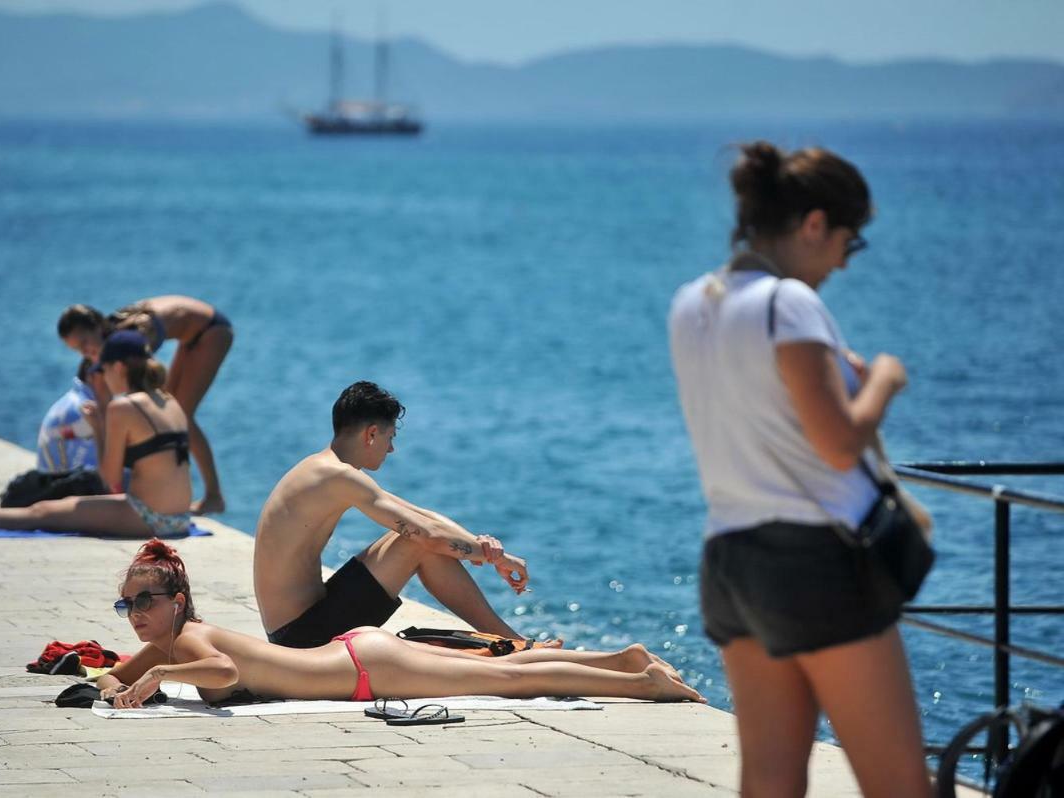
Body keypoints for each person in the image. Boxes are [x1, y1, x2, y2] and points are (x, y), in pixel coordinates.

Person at [668, 141, 931, 797]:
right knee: (899, 783)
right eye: (850, 240)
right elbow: (839, 444)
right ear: (813, 224)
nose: (844, 260)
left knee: (769, 779)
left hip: (730, 561)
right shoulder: (787, 302)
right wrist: (883, 382)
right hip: (812, 560)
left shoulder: (691, 304)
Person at [99, 539, 705, 708]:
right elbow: (107, 674)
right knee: (508, 667)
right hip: (358, 654)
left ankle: (641, 684)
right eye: (129, 606)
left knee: (512, 681)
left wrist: (156, 684)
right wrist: (119, 684)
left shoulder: (189, 641)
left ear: (178, 600)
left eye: (146, 601)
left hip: (367, 666)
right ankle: (622, 659)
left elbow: (224, 669)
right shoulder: (168, 648)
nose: (138, 616)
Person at [254, 381, 541, 650]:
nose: (391, 448)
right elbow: (427, 535)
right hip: (301, 638)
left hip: (297, 625)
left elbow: (421, 516)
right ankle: (515, 644)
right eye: (390, 437)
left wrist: (483, 548)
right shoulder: (338, 476)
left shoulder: (324, 469)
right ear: (371, 434)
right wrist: (494, 558)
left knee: (413, 535)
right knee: (417, 542)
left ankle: (512, 641)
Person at [0, 331, 193, 538]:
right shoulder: (168, 400)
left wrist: (98, 426)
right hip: (180, 517)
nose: (102, 377)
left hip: (150, 517)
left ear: (119, 367)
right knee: (60, 507)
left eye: (103, 370)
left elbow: (110, 481)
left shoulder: (123, 407)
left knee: (44, 512)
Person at [57, 296, 232, 516]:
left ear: (98, 326)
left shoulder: (136, 330)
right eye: (77, 350)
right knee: (173, 407)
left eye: (84, 344)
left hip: (213, 330)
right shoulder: (111, 334)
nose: (85, 352)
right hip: (190, 333)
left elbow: (138, 380)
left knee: (182, 414)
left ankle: (214, 496)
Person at [36, 359, 99, 472]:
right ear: (92, 375)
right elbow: (91, 470)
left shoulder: (73, 401)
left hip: (52, 482)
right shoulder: (84, 412)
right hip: (65, 486)